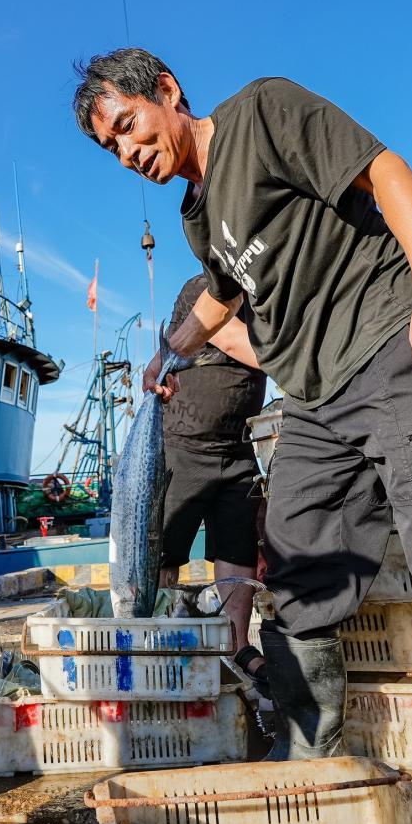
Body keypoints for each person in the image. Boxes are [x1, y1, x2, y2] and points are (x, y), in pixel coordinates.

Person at [73, 48, 412, 824]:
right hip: (313, 399)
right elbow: (224, 291)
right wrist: (169, 352)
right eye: (112, 148)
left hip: (389, 351)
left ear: (167, 91)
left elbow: (388, 173)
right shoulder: (195, 214)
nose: (128, 153)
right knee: (297, 570)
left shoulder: (261, 111)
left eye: (129, 126)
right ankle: (312, 753)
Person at [159, 273, 268, 695]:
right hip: (183, 447)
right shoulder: (199, 289)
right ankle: (154, 637)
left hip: (239, 449)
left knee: (237, 549)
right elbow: (239, 343)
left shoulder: (264, 298)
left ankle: (237, 646)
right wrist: (303, 358)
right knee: (163, 552)